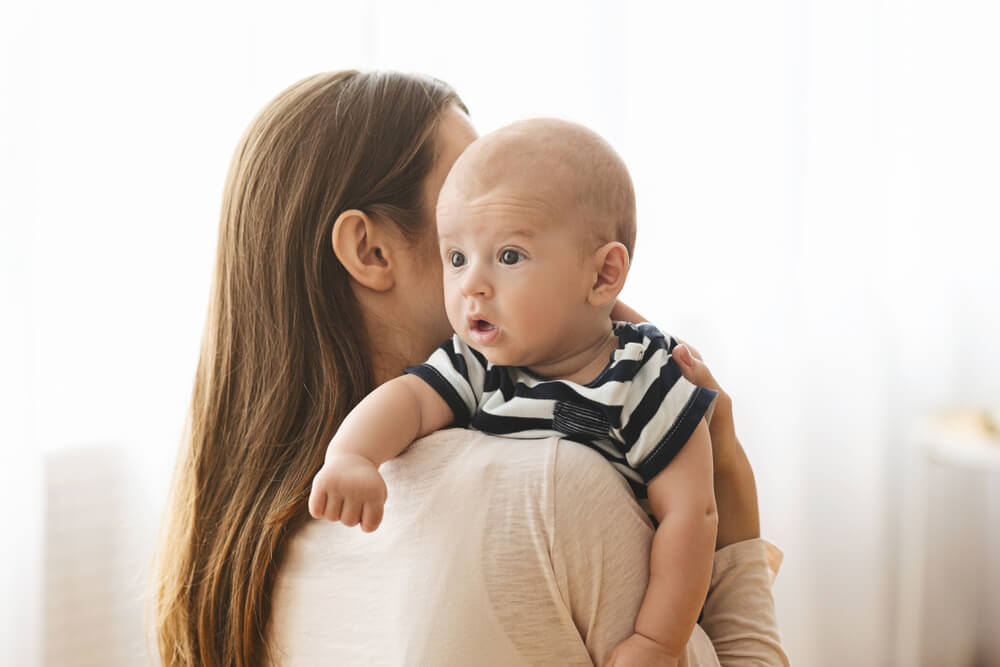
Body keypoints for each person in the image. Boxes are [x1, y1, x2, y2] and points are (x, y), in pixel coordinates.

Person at [153, 70, 788, 667]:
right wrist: (730, 485)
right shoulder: (552, 487)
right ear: (370, 250)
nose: (492, 200)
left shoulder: (238, 546)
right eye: (459, 224)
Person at [308, 117, 720, 665]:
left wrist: (657, 640)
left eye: (508, 256)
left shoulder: (643, 373)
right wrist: (353, 455)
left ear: (603, 276)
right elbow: (407, 400)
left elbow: (692, 516)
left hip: (646, 608)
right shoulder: (482, 364)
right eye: (455, 258)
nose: (472, 284)